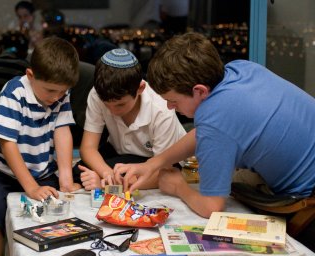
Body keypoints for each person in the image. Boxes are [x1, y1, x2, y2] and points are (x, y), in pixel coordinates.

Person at [114, 32, 315, 219]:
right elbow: (207, 132)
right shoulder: (240, 69)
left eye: (173, 101)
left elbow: (212, 207)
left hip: (306, 200)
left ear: (199, 91)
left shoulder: (214, 120)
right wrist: (153, 163)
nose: (169, 107)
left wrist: (178, 187)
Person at [0, 37, 82, 256]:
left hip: (40, 170)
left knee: (67, 195)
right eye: (51, 90)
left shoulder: (59, 93)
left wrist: (66, 179)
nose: (57, 97)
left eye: (63, 92)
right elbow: (7, 143)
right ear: (30, 75)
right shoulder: (13, 93)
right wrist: (30, 186)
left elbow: (62, 131)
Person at [76, 48, 186, 190]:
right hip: (121, 152)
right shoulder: (97, 94)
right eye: (106, 104)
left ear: (140, 89)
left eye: (120, 104)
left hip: (157, 160)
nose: (112, 111)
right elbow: (88, 148)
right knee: (79, 172)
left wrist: (109, 185)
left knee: (165, 176)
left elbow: (163, 170)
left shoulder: (161, 109)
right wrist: (107, 174)